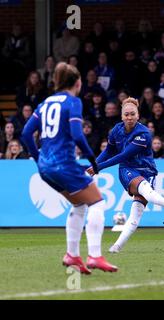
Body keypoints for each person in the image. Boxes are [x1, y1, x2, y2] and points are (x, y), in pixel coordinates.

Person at [21, 62, 117, 274]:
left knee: (80, 205)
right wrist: (92, 158)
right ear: (77, 82)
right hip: (63, 163)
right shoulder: (73, 102)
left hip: (45, 168)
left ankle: (72, 255)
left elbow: (26, 134)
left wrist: (38, 159)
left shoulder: (44, 103)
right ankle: (95, 256)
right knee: (97, 203)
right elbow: (76, 134)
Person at [86, 97, 164, 253]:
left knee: (136, 212)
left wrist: (98, 168)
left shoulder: (144, 133)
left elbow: (123, 154)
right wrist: (94, 165)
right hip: (128, 169)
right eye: (126, 114)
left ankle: (116, 247)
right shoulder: (116, 131)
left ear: (138, 115)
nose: (129, 117)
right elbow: (109, 151)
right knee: (145, 190)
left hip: (148, 170)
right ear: (122, 116)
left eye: (132, 114)